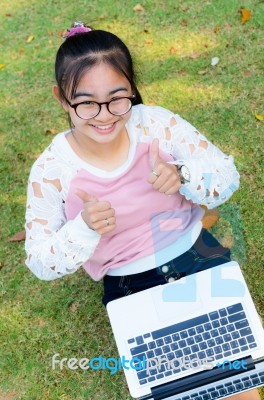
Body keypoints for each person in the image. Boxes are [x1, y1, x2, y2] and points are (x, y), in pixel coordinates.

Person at [24, 23, 261, 400]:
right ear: (61, 98)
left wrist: (182, 174)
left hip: (199, 256)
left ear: (132, 89)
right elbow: (39, 261)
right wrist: (83, 228)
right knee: (180, 390)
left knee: (239, 384)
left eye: (118, 98)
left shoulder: (154, 123)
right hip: (129, 285)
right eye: (86, 103)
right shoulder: (53, 170)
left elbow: (226, 176)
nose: (104, 116)